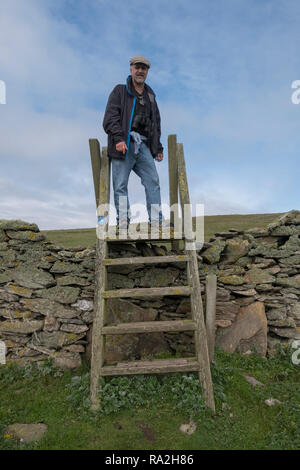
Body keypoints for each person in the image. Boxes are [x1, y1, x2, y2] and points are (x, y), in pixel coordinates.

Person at [103, 56, 164, 232]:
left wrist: (158, 147)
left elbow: (156, 123)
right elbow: (110, 117)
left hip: (143, 146)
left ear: (147, 72)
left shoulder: (150, 96)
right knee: (120, 184)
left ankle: (156, 222)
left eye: (143, 69)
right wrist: (119, 139)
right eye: (137, 67)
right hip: (125, 144)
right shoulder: (120, 91)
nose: (140, 71)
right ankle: (123, 221)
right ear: (131, 69)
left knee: (153, 181)